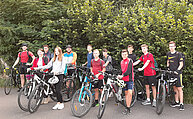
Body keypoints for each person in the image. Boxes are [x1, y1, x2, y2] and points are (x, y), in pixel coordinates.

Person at [167, 41, 184, 111]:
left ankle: (181, 103)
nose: (171, 48)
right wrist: (167, 68)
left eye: (172, 46)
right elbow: (168, 61)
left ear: (175, 47)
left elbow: (181, 64)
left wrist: (177, 71)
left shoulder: (178, 54)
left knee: (179, 88)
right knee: (174, 88)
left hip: (178, 73)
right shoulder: (168, 54)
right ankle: (176, 102)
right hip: (171, 73)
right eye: (170, 46)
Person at [117, 49, 134, 115]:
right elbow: (121, 70)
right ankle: (127, 107)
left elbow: (129, 71)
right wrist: (118, 75)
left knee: (130, 93)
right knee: (126, 94)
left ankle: (128, 107)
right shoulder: (121, 62)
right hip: (123, 80)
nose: (124, 56)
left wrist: (122, 75)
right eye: (122, 54)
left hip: (129, 79)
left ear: (127, 55)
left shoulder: (130, 61)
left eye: (125, 54)